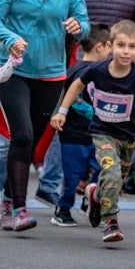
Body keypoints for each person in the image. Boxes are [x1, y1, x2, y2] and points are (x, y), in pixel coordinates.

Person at [0, 0, 89, 232]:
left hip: (52, 73)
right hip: (14, 70)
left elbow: (84, 22)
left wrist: (76, 26)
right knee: (23, 135)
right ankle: (18, 208)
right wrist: (10, 37)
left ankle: (6, 195)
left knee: (31, 146)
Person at [53, 19, 135, 243]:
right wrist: (62, 110)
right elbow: (76, 85)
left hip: (127, 137)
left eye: (131, 46)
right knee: (110, 173)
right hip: (102, 133)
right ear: (110, 46)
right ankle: (111, 223)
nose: (125, 51)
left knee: (115, 181)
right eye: (120, 45)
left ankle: (95, 195)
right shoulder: (98, 70)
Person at [49, 26, 110, 227]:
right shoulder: (79, 72)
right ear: (99, 47)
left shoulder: (97, 70)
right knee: (72, 177)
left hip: (95, 134)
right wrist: (99, 114)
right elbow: (75, 101)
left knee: (103, 169)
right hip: (74, 135)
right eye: (109, 46)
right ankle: (63, 208)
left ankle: (91, 201)